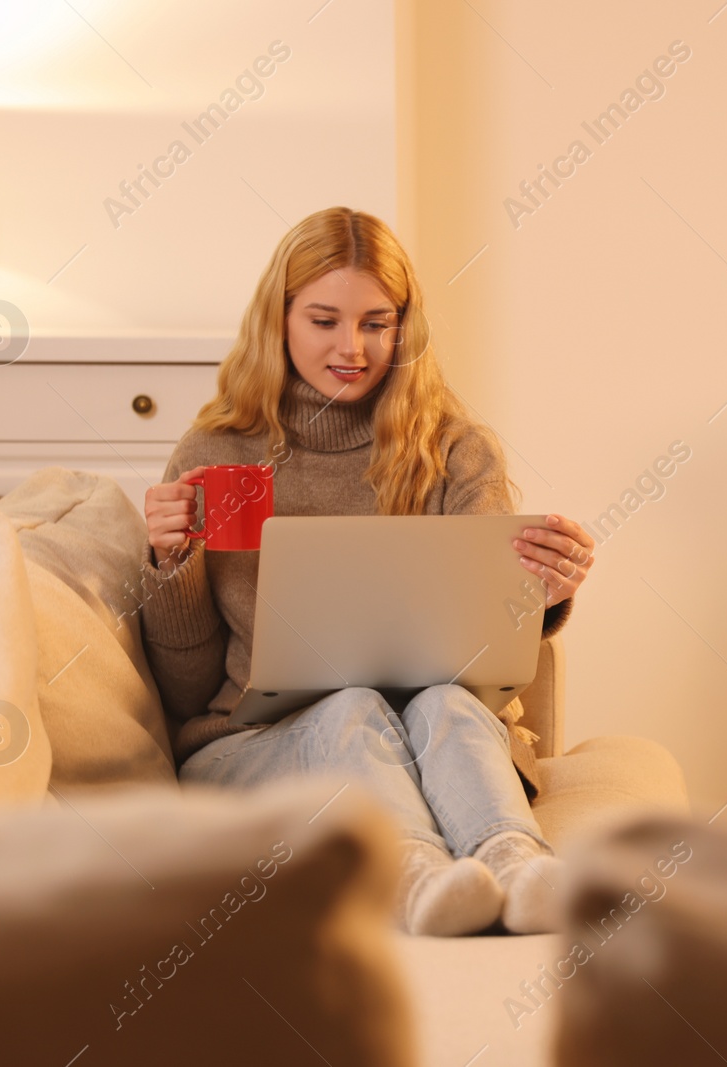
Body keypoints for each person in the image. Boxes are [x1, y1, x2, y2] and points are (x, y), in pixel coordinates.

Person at [138, 207, 595, 936]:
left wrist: (540, 596)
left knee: (446, 705)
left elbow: (484, 668)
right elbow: (185, 691)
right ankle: (414, 877)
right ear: (278, 320)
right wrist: (173, 565)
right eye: (324, 320)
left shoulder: (455, 448)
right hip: (256, 744)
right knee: (350, 703)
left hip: (436, 730)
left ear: (403, 327)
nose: (352, 347)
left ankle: (515, 859)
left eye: (376, 323)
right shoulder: (216, 452)